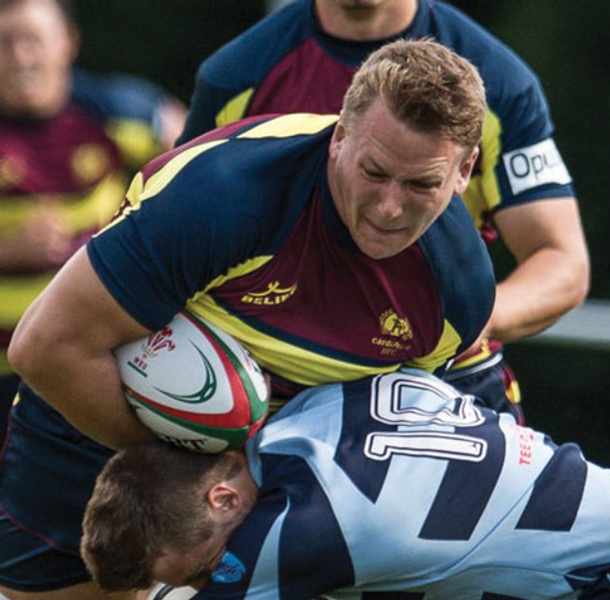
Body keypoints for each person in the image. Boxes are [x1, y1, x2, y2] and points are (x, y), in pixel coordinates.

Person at [0, 39, 496, 599]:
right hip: (91, 424)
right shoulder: (225, 198)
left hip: (271, 479)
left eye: (421, 185)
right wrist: (184, 463)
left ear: (463, 172)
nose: (389, 208)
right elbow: (45, 347)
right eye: (374, 172)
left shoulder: (457, 291)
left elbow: (415, 442)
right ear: (339, 138)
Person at [176, 0, 592, 422]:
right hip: (267, 381)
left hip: (430, 381)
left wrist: (467, 322)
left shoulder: (499, 84)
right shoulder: (237, 75)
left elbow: (560, 260)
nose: (390, 206)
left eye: (420, 181)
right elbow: (176, 241)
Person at [81, 368, 610, 600]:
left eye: (201, 570)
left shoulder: (302, 534)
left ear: (222, 497)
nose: (210, 578)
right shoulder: (308, 410)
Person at [0, 0, 186, 446]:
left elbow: (208, 174)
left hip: (97, 366)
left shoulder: (122, 113)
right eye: (5, 44)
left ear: (68, 43)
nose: (21, 57)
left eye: (33, 41)